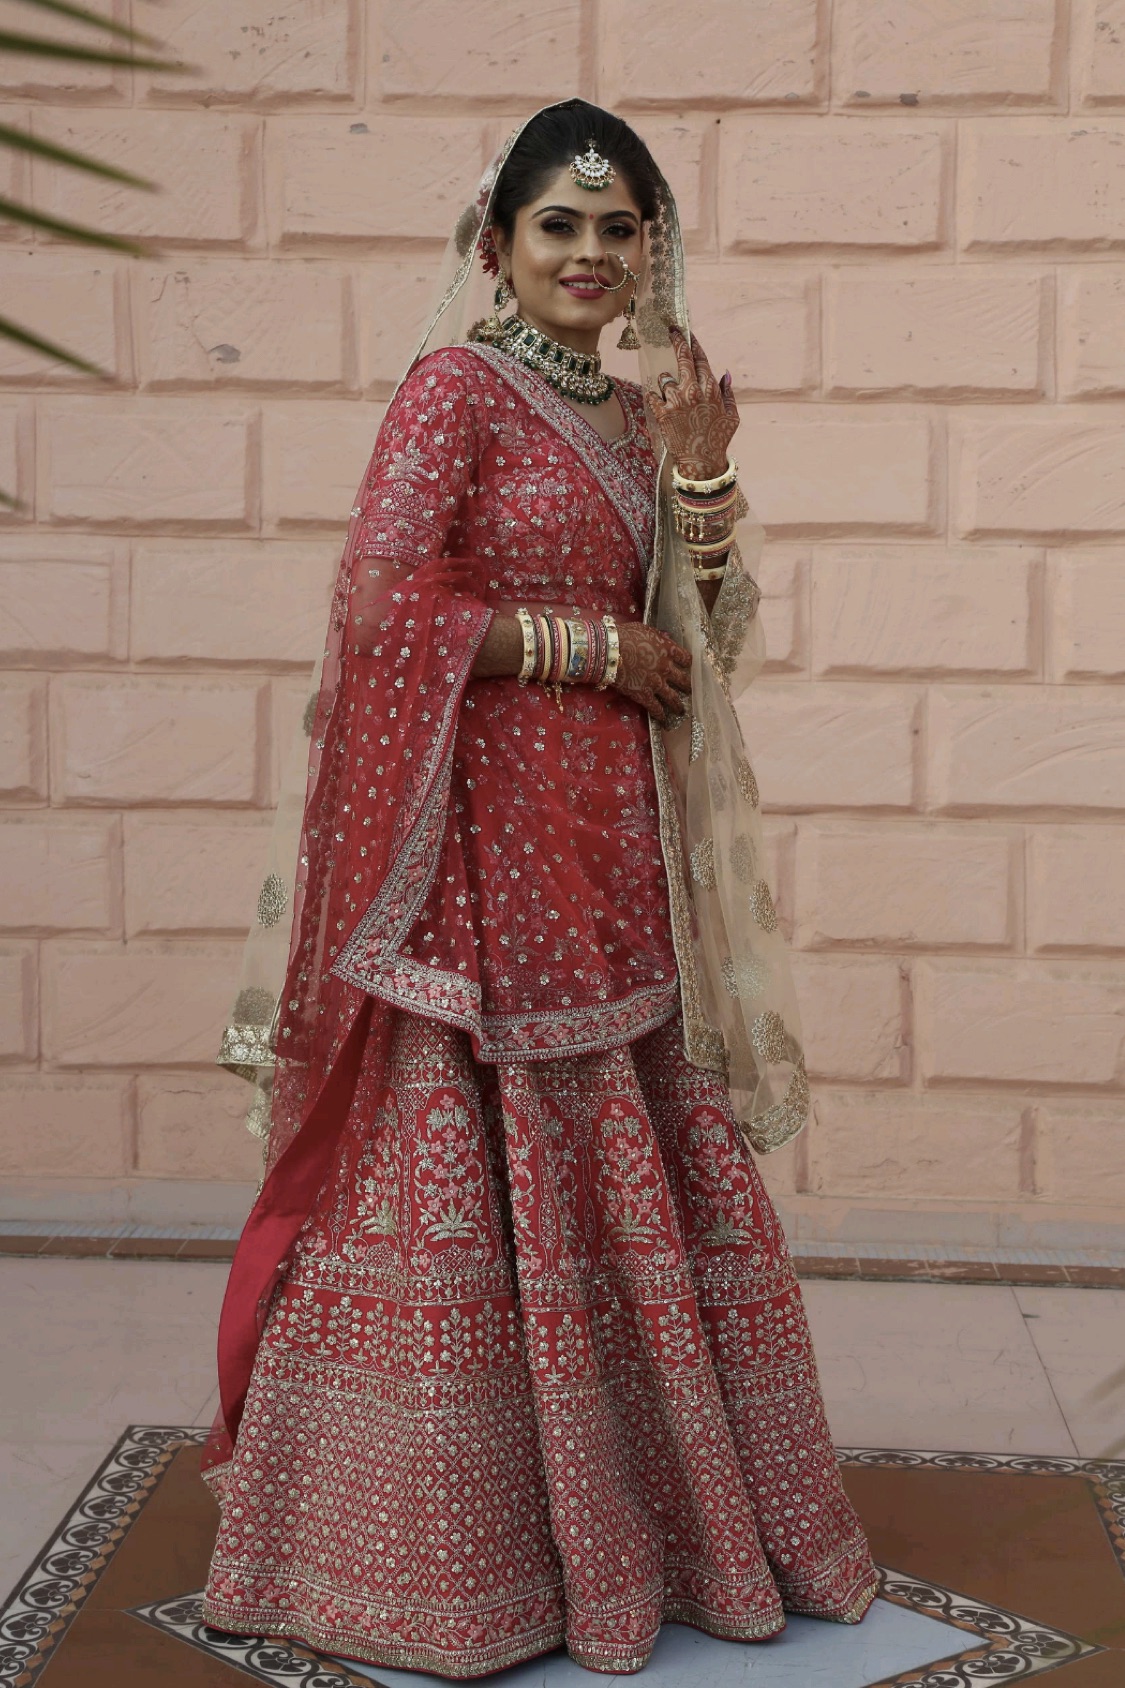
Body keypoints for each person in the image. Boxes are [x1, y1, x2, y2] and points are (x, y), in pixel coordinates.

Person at [201, 99, 877, 1678]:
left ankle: (667, 1523)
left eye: (616, 228)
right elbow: (382, 606)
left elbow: (704, 640)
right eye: (557, 226)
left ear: (651, 250)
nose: (588, 255)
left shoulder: (642, 418)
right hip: (472, 852)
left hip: (613, 852)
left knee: (641, 1150)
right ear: (496, 244)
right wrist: (581, 648)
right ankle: (439, 1559)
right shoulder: (453, 392)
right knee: (467, 1164)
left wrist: (702, 484)